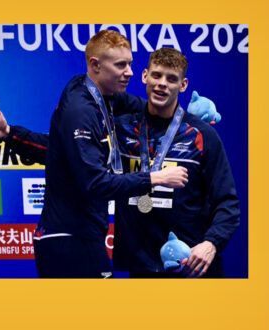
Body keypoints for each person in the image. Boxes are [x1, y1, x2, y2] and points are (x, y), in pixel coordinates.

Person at [24, 30, 189, 278]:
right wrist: (156, 178)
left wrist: (189, 117)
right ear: (95, 65)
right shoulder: (81, 111)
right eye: (121, 65)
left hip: (78, 234)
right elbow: (96, 183)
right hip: (69, 239)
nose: (130, 72)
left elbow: (145, 107)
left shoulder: (98, 93)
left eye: (131, 63)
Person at [112, 47, 240, 278]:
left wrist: (211, 244)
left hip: (191, 265)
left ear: (183, 85)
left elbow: (228, 203)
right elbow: (75, 150)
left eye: (171, 79)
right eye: (157, 75)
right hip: (142, 266)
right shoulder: (122, 129)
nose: (162, 84)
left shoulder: (201, 134)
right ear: (144, 76)